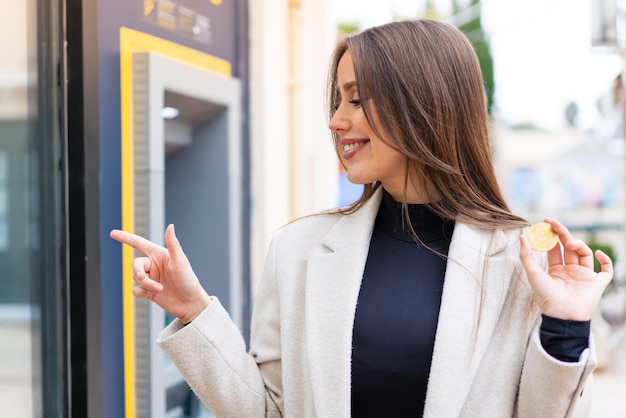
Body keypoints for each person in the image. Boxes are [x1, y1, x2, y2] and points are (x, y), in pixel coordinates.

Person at [110, 18, 614, 417]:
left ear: (423, 104)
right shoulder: (299, 251)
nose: (336, 120)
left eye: (355, 98)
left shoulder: (521, 259)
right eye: (336, 101)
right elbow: (267, 411)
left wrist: (566, 325)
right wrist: (194, 311)